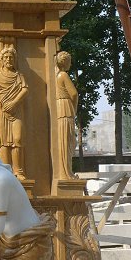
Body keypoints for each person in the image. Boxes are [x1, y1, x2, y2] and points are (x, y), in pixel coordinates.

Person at [0, 45, 27, 180]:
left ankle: (18, 171)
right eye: (6, 57)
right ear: (1, 59)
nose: (8, 59)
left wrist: (13, 103)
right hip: (1, 110)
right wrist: (5, 104)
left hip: (16, 110)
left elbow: (24, 90)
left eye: (11, 57)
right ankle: (5, 169)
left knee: (18, 139)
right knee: (3, 141)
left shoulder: (19, 75)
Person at [55, 51, 78, 180]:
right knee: (67, 142)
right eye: (69, 61)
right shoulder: (63, 75)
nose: (71, 64)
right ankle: (66, 173)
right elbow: (74, 94)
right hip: (65, 108)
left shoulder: (54, 76)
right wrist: (73, 109)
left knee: (64, 141)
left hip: (58, 109)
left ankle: (65, 171)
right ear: (64, 62)